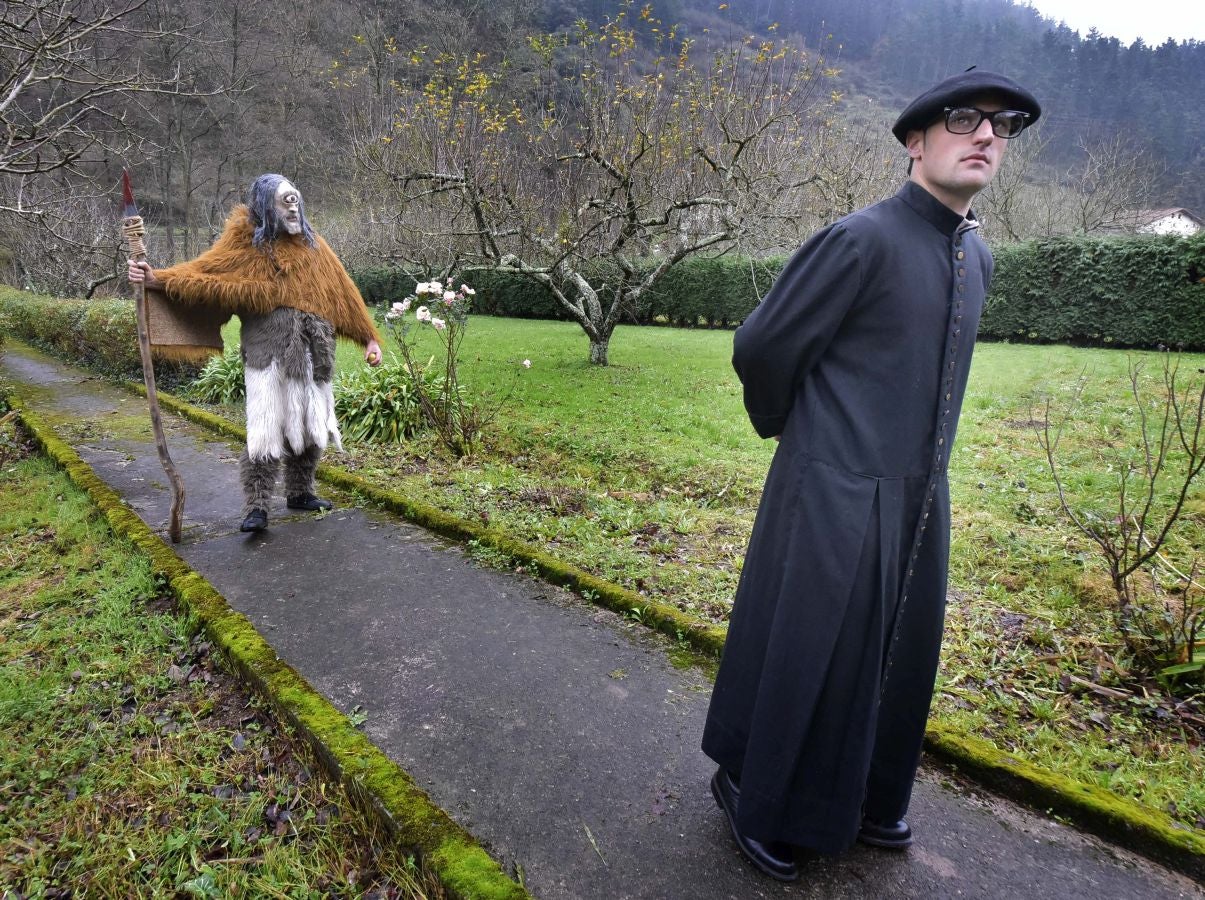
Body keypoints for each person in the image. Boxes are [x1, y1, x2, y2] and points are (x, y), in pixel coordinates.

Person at [701, 69, 1041, 881]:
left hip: (922, 495)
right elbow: (760, 347)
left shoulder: (977, 255)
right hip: (835, 488)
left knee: (901, 653)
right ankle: (759, 795)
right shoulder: (859, 238)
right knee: (812, 650)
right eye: (964, 120)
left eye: (1001, 126)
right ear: (915, 141)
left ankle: (862, 797)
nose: (985, 136)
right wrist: (808, 436)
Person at [129, 173, 383, 533]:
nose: (293, 206)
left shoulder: (316, 248)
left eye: (295, 198)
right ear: (266, 205)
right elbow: (205, 275)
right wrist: (158, 279)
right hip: (268, 356)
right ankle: (257, 506)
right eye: (284, 200)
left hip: (314, 353)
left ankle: (301, 492)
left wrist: (369, 338)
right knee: (264, 430)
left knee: (311, 425)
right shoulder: (245, 244)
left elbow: (343, 294)